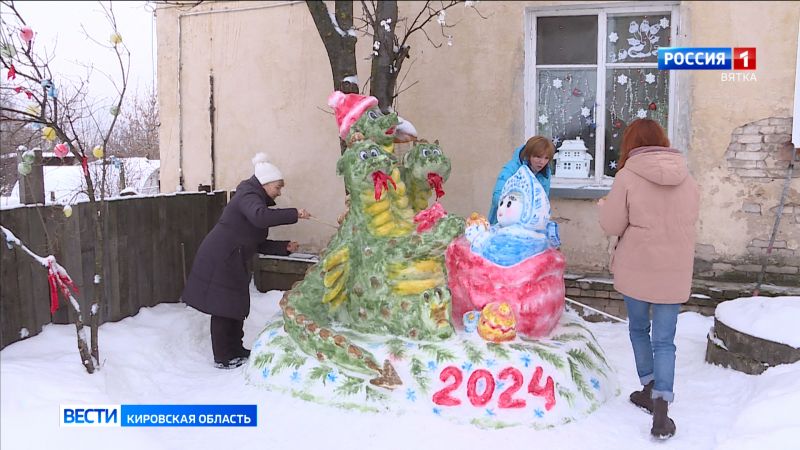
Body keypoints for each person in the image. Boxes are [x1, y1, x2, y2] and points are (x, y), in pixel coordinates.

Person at [598, 119, 699, 439]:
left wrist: (604, 206)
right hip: (675, 267)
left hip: (637, 266)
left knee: (639, 328)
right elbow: (691, 217)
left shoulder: (627, 176)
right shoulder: (687, 176)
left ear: (631, 142)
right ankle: (661, 407)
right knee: (665, 340)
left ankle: (648, 385)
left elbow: (613, 225)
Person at [182, 153, 311, 369]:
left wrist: (283, 247)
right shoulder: (248, 195)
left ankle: (236, 348)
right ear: (266, 183)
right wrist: (294, 213)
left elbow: (255, 241)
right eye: (277, 187)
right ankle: (223, 357)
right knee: (223, 307)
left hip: (234, 257)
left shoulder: (255, 199)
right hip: (221, 257)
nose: (279, 193)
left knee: (236, 304)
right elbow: (260, 217)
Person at [488, 136, 554, 225]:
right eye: (538, 157)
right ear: (529, 155)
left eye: (546, 158)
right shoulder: (511, 168)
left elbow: (543, 201)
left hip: (530, 226)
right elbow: (497, 198)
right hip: (501, 223)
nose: (542, 162)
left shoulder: (545, 173)